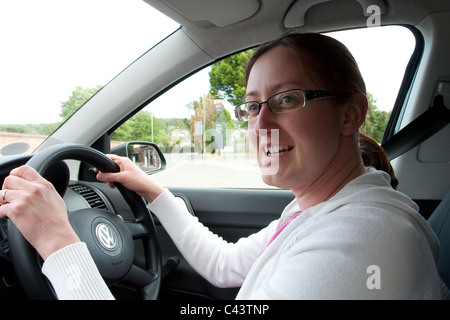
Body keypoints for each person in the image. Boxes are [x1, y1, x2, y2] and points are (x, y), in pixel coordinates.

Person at [0, 33, 443, 299]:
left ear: (350, 114)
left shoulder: (360, 242)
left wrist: (60, 243)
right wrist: (153, 192)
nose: (262, 124)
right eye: (252, 107)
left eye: (287, 99)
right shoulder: (323, 210)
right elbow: (225, 264)